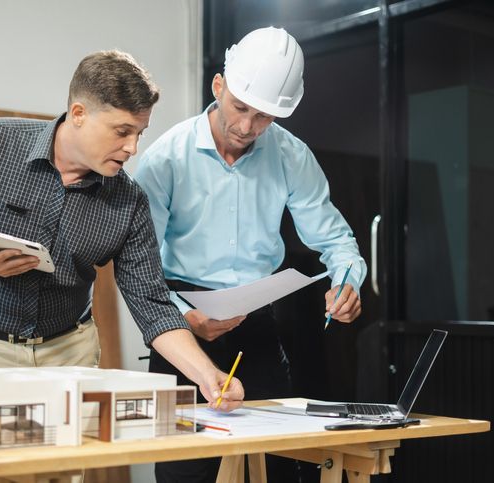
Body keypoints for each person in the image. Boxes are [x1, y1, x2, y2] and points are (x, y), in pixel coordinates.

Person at [0, 50, 243, 411]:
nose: (133, 148)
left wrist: (207, 374)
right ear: (78, 114)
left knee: (61, 468)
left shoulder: (129, 201)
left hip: (69, 354)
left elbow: (152, 305)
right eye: (122, 132)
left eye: (139, 133)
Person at [135, 27, 367, 482]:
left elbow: (337, 242)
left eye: (264, 117)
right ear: (218, 86)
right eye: (240, 108)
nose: (247, 127)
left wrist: (347, 282)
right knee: (187, 473)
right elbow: (138, 267)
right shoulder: (165, 161)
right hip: (180, 328)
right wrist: (183, 316)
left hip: (256, 326)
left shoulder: (292, 157)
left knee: (276, 467)